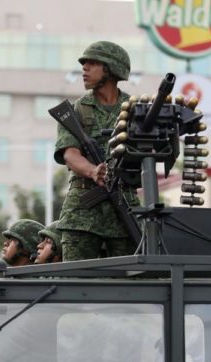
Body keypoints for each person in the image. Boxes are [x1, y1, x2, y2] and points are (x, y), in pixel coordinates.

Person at [54, 41, 139, 261]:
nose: (84, 69)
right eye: (84, 64)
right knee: (72, 280)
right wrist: (93, 171)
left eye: (92, 63)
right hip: (82, 210)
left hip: (124, 206)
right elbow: (70, 154)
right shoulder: (75, 111)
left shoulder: (135, 110)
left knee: (135, 280)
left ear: (111, 68)